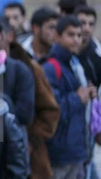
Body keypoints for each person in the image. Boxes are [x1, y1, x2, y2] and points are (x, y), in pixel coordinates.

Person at [1, 18, 60, 179]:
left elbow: (50, 110)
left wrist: (30, 139)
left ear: (9, 36)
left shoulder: (28, 67)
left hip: (29, 157)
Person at [42, 15, 96, 178]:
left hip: (76, 152)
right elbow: (52, 110)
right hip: (59, 155)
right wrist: (78, 98)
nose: (76, 40)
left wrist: (87, 94)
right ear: (57, 36)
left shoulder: (74, 65)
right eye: (70, 35)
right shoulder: (51, 68)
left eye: (79, 36)